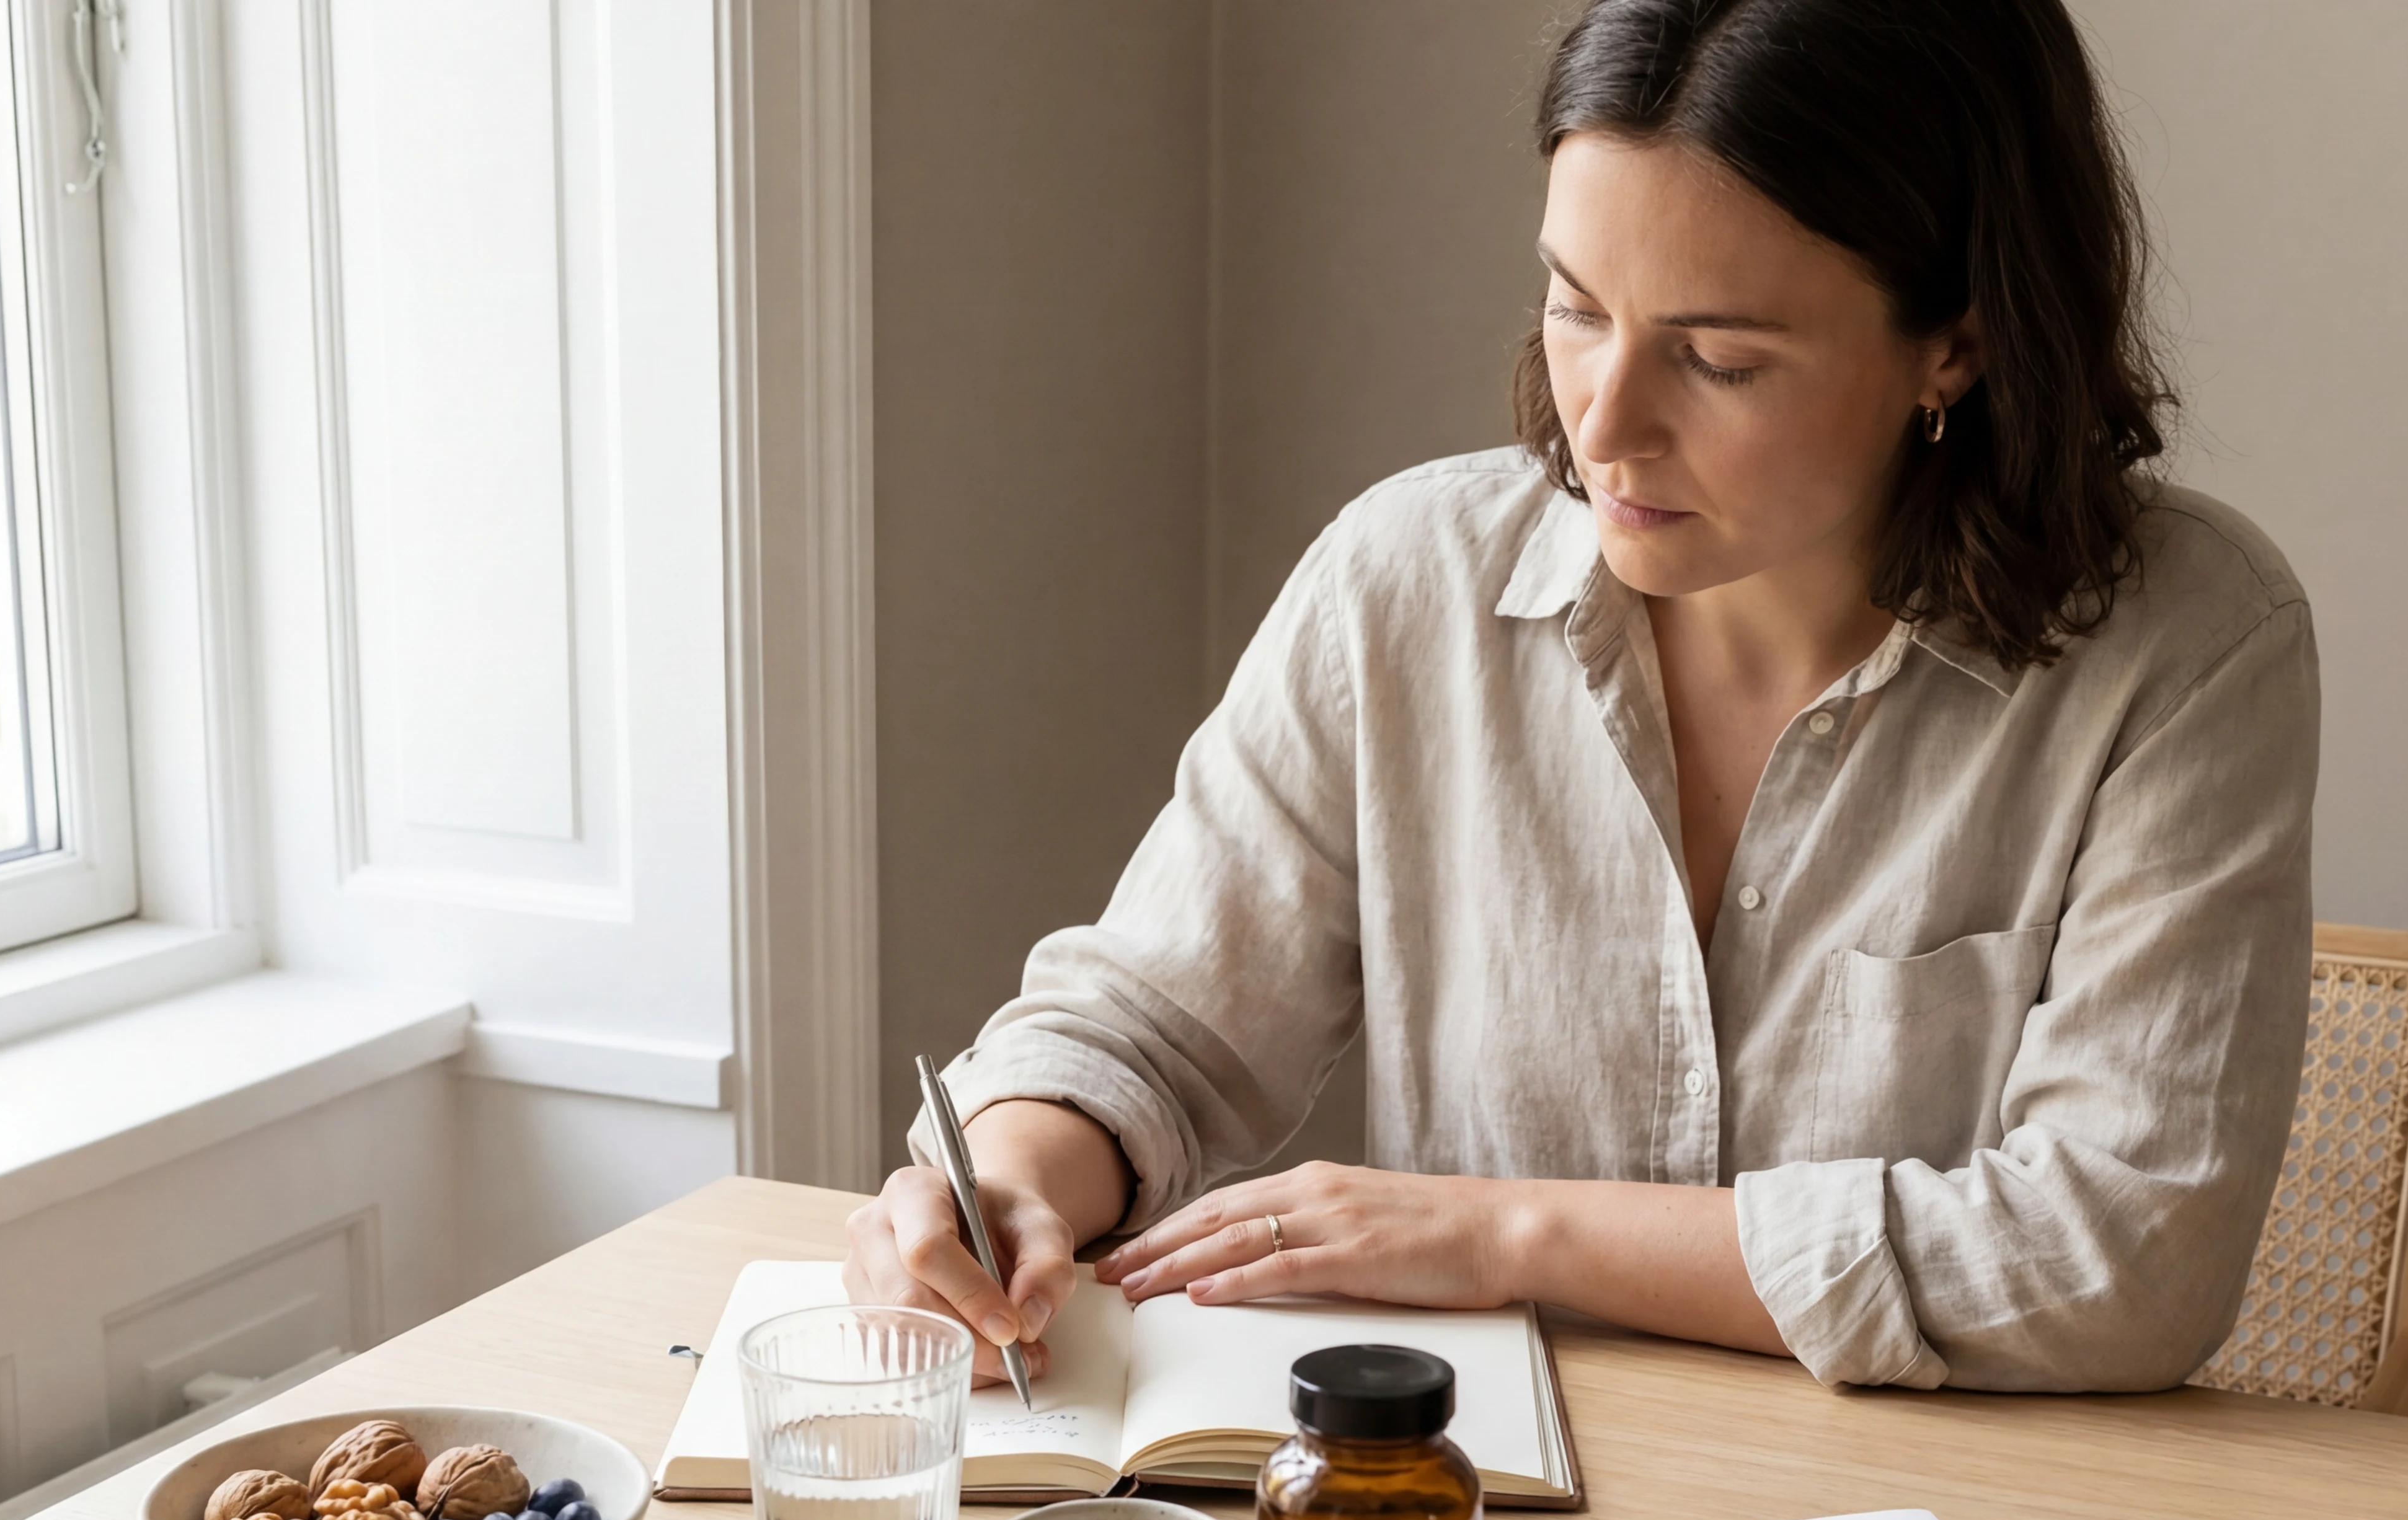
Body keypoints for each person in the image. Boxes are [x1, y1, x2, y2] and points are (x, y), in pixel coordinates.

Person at [845, 0, 2316, 1395]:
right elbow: (1153, 1024)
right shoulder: (1403, 580)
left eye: (1718, 358)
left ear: (1957, 343)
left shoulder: (2183, 643)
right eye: (1574, 306)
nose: (1601, 423)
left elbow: (2124, 1256)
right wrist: (1015, 1173)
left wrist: (1500, 1236)